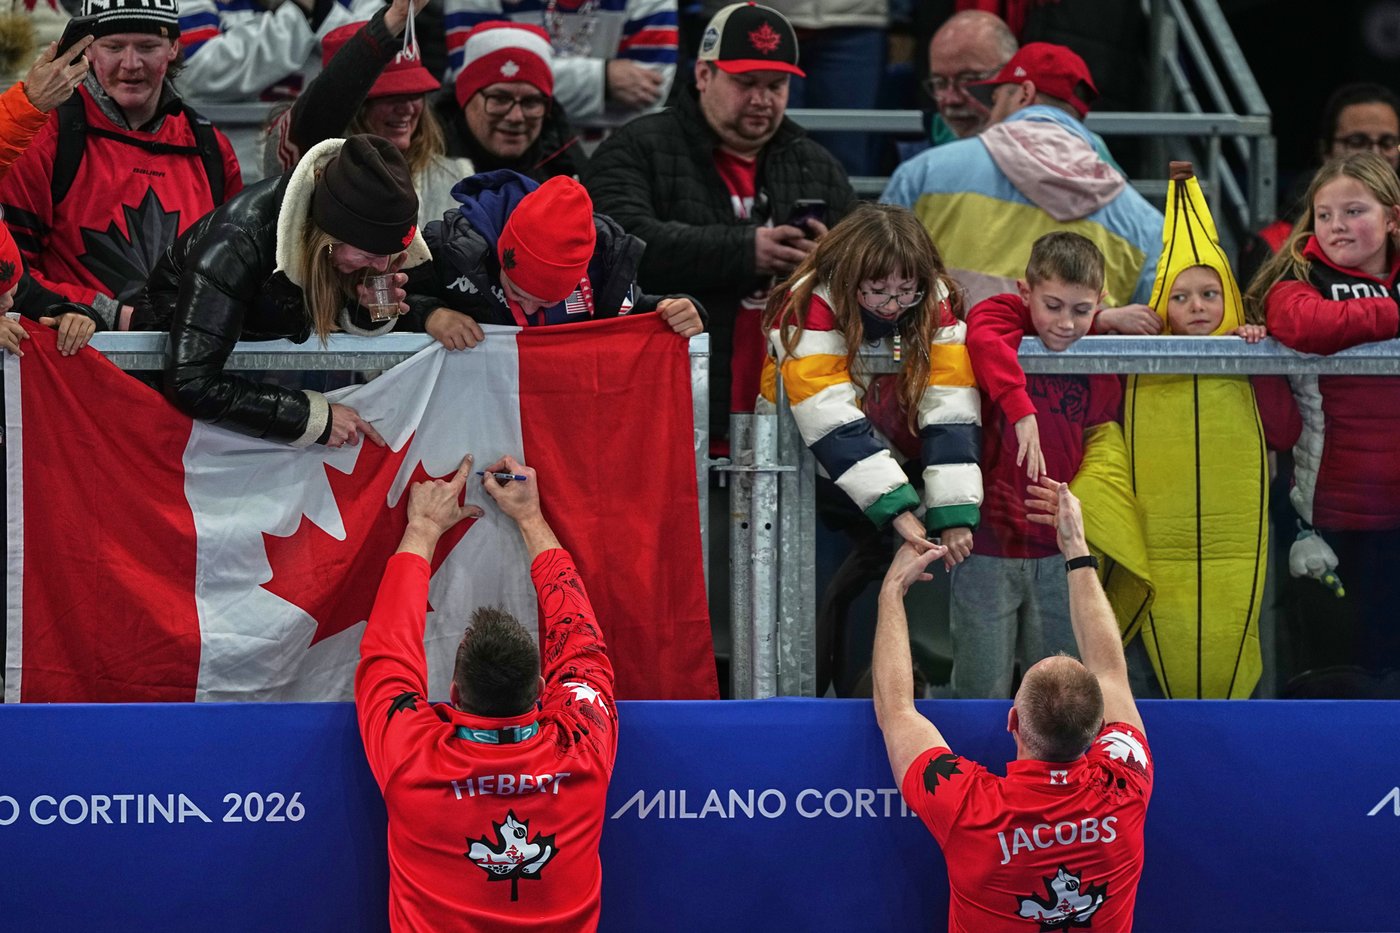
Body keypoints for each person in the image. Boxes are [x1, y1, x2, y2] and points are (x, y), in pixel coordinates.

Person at [874, 476, 1152, 933]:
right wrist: (1076, 548)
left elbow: (897, 711)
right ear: (1098, 726)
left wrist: (891, 594)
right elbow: (1110, 670)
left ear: (1012, 722)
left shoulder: (969, 807)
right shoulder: (1126, 782)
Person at [356, 453, 617, 931]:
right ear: (541, 690)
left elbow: (387, 654)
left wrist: (423, 528)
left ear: (452, 692)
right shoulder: (583, 745)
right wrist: (531, 517)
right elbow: (580, 641)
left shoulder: (411, 756)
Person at [583, 1, 856, 443]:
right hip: (665, 410)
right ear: (704, 75)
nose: (761, 99)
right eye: (745, 83)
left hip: (790, 412)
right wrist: (746, 250)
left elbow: (867, 258)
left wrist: (834, 259)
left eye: (776, 85)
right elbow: (616, 247)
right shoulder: (637, 147)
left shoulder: (814, 163)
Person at [758, 203, 981, 694]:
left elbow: (950, 403)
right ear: (851, 274)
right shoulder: (810, 301)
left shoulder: (936, 299)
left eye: (906, 289)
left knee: (877, 617)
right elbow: (827, 414)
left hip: (894, 472)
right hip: (809, 478)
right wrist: (899, 510)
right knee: (807, 617)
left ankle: (871, 715)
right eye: (878, 289)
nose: (892, 304)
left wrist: (953, 509)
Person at [1123, 161, 1300, 699]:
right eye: (1179, 297)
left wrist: (1259, 360)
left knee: (1232, 643)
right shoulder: (1136, 360)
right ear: (1159, 305)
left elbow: (1284, 431)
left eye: (1208, 294)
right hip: (1157, 536)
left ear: (1229, 296)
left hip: (1236, 540)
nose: (1196, 307)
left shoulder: (1247, 349)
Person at [136, 134, 436, 448]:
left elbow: (319, 317)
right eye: (369, 255)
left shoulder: (346, 247)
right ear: (329, 239)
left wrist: (372, 310)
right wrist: (313, 419)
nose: (380, 266)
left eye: (389, 254)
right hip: (171, 413)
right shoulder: (237, 244)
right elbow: (191, 383)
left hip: (254, 393)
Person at [1245, 151, 1400, 692]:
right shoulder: (1298, 279)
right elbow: (1305, 324)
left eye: (1354, 211)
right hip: (1327, 525)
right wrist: (1394, 310)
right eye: (1324, 215)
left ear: (1392, 219)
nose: (1336, 226)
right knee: (1334, 685)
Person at [881, 41, 1163, 332]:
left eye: (995, 99)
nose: (989, 114)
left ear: (1024, 94)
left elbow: (872, 277)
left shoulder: (923, 173)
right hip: (1077, 377)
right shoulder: (1145, 224)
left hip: (947, 371)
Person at [0, 0, 243, 331]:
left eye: (147, 46)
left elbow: (236, 273)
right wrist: (110, 315)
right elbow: (12, 276)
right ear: (88, 52)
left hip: (179, 371)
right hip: (77, 366)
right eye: (114, 47)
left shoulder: (211, 148)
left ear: (173, 47)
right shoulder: (46, 137)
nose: (131, 64)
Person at [956, 232, 1123, 698]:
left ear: (1099, 303)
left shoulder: (1101, 349)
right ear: (1025, 292)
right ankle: (975, 768)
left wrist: (1107, 323)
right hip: (987, 544)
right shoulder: (1006, 315)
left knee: (1060, 693)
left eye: (1082, 310)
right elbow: (983, 330)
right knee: (978, 689)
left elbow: (1104, 440)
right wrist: (1018, 405)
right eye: (1052, 305)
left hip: (1059, 550)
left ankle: (1053, 773)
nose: (1066, 323)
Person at [406, 170, 703, 346]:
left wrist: (681, 310)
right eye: (517, 292)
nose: (530, 307)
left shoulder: (607, 266)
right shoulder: (450, 249)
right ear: (502, 255)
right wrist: (430, 315)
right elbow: (376, 311)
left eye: (547, 301)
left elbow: (632, 312)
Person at [265, 0, 475, 227]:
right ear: (351, 104)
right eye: (389, 96)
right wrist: (390, 24)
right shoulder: (308, 162)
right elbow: (321, 106)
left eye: (415, 93)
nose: (406, 108)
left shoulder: (455, 176)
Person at [1239, 83, 1400, 287]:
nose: (1375, 154)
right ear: (1326, 150)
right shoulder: (1277, 244)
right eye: (1357, 141)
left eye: (1387, 143)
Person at [444, 0, 678, 129]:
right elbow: (469, 79)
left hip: (616, 155)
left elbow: (651, 89)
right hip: (498, 154)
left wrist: (520, 85)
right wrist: (602, 80)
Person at [432, 20, 586, 184]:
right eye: (500, 99)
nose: (516, 117)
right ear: (464, 98)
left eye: (530, 102)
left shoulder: (566, 167)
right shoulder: (422, 162)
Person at [176, 0, 383, 102]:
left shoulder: (362, 3)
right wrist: (299, 12)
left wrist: (321, 9)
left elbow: (377, 69)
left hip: (328, 165)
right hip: (230, 166)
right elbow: (193, 73)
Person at [923, 10, 1017, 143]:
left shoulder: (1049, 149)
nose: (952, 100)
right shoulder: (921, 154)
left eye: (969, 80)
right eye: (940, 83)